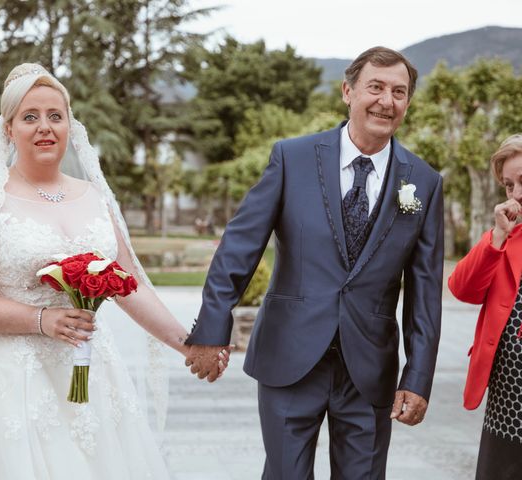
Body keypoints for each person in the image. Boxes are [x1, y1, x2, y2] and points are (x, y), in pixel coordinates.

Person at [0, 63, 228, 480]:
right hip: (12, 385)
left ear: (71, 124)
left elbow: (128, 285)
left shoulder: (95, 197)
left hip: (92, 379)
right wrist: (40, 319)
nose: (44, 127)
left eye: (55, 115)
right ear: (9, 129)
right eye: (29, 117)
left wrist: (191, 345)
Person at [184, 46, 444, 478]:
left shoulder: (424, 182)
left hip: (369, 370)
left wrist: (417, 376)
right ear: (347, 91)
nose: (386, 101)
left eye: (399, 92)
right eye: (375, 87)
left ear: (408, 103)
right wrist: (212, 329)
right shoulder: (292, 157)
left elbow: (425, 292)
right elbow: (240, 246)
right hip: (290, 358)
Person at [448, 134, 522, 480]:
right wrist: (495, 238)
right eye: (509, 185)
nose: (516, 193)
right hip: (508, 400)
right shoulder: (505, 237)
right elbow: (462, 288)